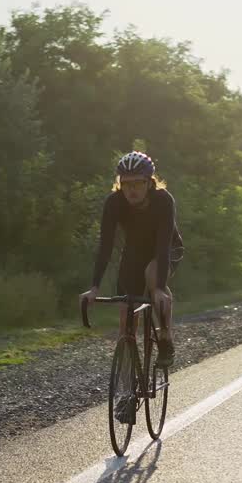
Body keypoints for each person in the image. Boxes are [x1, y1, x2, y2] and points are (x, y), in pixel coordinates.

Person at [79, 151, 183, 422]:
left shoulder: (163, 201)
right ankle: (126, 394)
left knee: (152, 277)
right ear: (119, 184)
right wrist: (94, 287)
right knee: (126, 317)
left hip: (166, 249)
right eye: (126, 183)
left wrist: (159, 286)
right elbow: (105, 246)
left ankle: (165, 338)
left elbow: (162, 244)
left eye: (137, 183)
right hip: (134, 254)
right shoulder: (114, 203)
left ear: (150, 182)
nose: (131, 189)